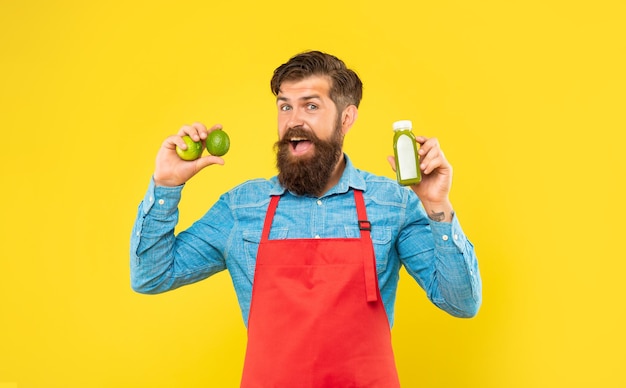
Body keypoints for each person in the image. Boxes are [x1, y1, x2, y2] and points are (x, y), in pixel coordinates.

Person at [130, 50, 482, 387]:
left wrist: (438, 206)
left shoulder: (392, 204)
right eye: (285, 106)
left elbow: (461, 302)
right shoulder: (242, 208)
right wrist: (166, 186)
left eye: (310, 106)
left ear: (346, 118)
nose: (293, 120)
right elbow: (151, 275)